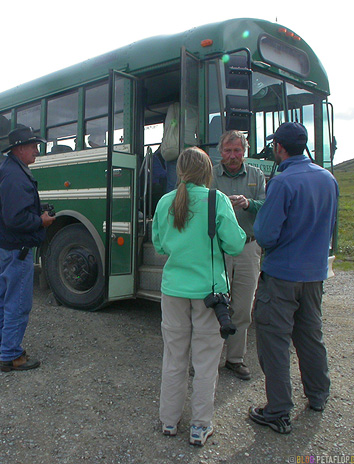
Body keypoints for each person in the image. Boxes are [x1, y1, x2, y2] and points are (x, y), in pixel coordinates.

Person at [249, 122, 339, 434]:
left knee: (274, 341)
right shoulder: (328, 178)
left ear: (279, 148)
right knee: (310, 336)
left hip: (282, 276)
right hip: (314, 276)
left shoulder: (283, 182)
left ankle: (277, 410)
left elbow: (265, 234)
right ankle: (318, 395)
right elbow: (330, 227)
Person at [152, 147, 246, 446]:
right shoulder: (216, 200)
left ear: (179, 171)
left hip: (173, 290)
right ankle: (199, 426)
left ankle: (168, 421)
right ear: (208, 170)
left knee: (174, 357)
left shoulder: (166, 201)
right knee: (205, 362)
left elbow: (160, 246)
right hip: (209, 293)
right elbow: (234, 245)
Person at [0, 125, 56, 372]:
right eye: (34, 146)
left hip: (4, 245)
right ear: (20, 148)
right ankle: (11, 355)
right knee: (17, 302)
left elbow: (7, 215)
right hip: (17, 249)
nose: (37, 151)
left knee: (4, 298)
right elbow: (16, 219)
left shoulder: (5, 169)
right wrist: (41, 220)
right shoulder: (15, 175)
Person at [211, 130, 265, 380]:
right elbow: (198, 203)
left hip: (248, 248)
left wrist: (249, 204)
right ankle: (207, 358)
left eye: (237, 151)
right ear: (220, 151)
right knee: (212, 306)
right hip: (217, 249)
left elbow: (267, 206)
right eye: (228, 151)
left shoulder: (256, 174)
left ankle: (235, 359)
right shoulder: (209, 174)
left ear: (245, 151)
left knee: (242, 307)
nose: (233, 156)